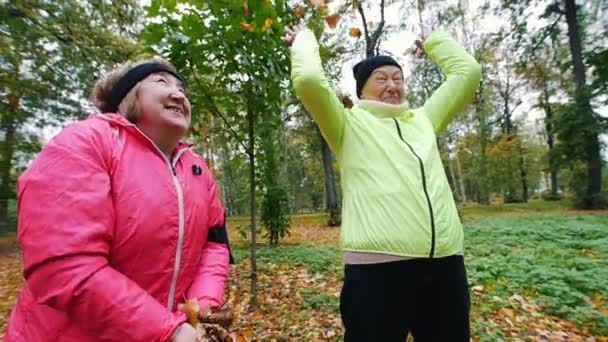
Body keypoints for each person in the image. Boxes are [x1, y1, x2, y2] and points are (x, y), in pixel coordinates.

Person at [4, 57, 233, 342]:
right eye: (162, 82)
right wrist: (166, 331)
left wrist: (203, 309)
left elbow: (215, 244)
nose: (178, 94)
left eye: (182, 89)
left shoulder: (198, 169)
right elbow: (64, 266)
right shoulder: (84, 142)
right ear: (129, 96)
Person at [283, 25, 481, 341]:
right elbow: (308, 82)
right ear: (362, 89)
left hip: (445, 267)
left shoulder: (425, 120)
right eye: (382, 79)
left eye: (398, 78)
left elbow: (468, 72)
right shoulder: (347, 123)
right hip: (377, 272)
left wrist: (434, 43)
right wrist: (304, 39)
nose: (392, 85)